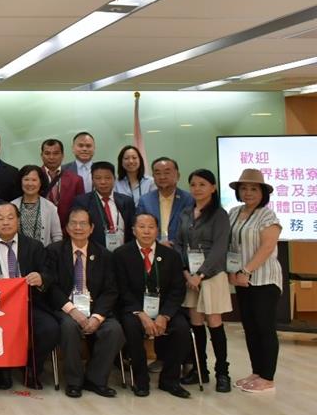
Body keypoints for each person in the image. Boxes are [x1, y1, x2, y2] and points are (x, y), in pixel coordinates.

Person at [0, 203, 58, 390]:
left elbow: (49, 273)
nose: (6, 222)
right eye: (1, 218)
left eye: (10, 217)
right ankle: (3, 369)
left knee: (50, 328)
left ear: (18, 220)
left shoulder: (34, 246)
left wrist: (41, 278)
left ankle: (31, 368)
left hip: (28, 303)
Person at [43, 208, 124, 399]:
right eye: (73, 223)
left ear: (91, 228)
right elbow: (51, 287)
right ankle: (74, 381)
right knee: (69, 328)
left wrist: (96, 317)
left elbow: (111, 290)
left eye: (83, 224)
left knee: (114, 330)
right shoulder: (54, 251)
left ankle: (95, 380)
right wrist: (73, 311)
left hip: (96, 309)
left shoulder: (104, 255)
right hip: (66, 308)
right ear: (67, 227)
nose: (78, 227)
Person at [114, 214, 192, 398]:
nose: (146, 231)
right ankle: (141, 380)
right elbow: (121, 289)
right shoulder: (121, 254)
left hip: (164, 310)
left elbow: (177, 290)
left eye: (151, 227)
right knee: (132, 329)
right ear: (133, 230)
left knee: (181, 329)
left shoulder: (171, 256)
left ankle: (170, 380)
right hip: (134, 310)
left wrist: (164, 316)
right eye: (141, 226)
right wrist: (141, 315)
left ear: (157, 230)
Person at [174, 169, 232, 392]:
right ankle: (200, 370)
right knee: (195, 324)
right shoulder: (186, 212)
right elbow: (179, 244)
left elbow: (219, 249)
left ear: (213, 188)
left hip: (211, 276)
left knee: (214, 324)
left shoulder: (219, 214)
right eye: (193, 184)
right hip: (190, 277)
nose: (197, 189)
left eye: (202, 184)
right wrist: (187, 272)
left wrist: (201, 274)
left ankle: (222, 373)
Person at [227, 168, 282, 394]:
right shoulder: (233, 212)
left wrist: (247, 270)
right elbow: (230, 246)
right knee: (249, 327)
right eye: (244, 188)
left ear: (262, 192)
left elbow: (267, 247)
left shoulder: (267, 215)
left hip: (264, 279)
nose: (248, 192)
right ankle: (257, 371)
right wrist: (232, 272)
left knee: (264, 327)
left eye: (253, 188)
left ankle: (267, 377)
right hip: (241, 280)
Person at [73, 161, 136, 252]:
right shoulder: (82, 202)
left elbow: (132, 229)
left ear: (114, 179)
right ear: (92, 180)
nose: (103, 182)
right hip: (95, 253)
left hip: (123, 253)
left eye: (107, 178)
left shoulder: (126, 201)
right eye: (98, 178)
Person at [137, 157, 194, 244]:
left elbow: (192, 228)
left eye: (167, 172)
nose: (162, 177)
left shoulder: (189, 199)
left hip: (180, 251)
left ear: (177, 176)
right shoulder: (145, 200)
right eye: (158, 173)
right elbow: (139, 228)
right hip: (152, 249)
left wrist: (173, 244)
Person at [10, 165, 62, 247]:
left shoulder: (50, 207)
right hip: (18, 256)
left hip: (44, 256)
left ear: (41, 182)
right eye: (26, 179)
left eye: (34, 180)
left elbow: (57, 236)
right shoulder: (11, 206)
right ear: (20, 181)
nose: (30, 184)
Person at [40, 138, 84, 228]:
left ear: (62, 155)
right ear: (41, 155)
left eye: (56, 153)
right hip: (40, 229)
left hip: (66, 230)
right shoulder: (33, 178)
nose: (51, 157)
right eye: (47, 153)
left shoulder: (76, 180)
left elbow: (80, 210)